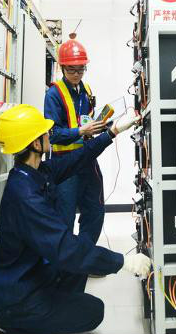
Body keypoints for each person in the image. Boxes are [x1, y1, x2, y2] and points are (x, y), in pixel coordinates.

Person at [0, 104, 151, 334]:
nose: (49, 135)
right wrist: (124, 262)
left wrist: (112, 132)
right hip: (18, 300)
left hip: (33, 276)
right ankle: (19, 326)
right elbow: (65, 249)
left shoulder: (35, 173)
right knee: (93, 310)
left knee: (79, 263)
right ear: (36, 144)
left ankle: (55, 307)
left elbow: (78, 158)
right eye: (45, 132)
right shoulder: (25, 196)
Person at [44, 34, 106, 252]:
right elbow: (53, 134)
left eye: (81, 69)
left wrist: (97, 126)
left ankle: (83, 255)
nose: (77, 74)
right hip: (65, 162)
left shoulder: (86, 90)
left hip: (87, 158)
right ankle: (64, 263)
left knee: (95, 210)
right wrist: (81, 131)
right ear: (62, 68)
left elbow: (86, 118)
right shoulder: (54, 94)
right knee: (64, 216)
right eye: (72, 70)